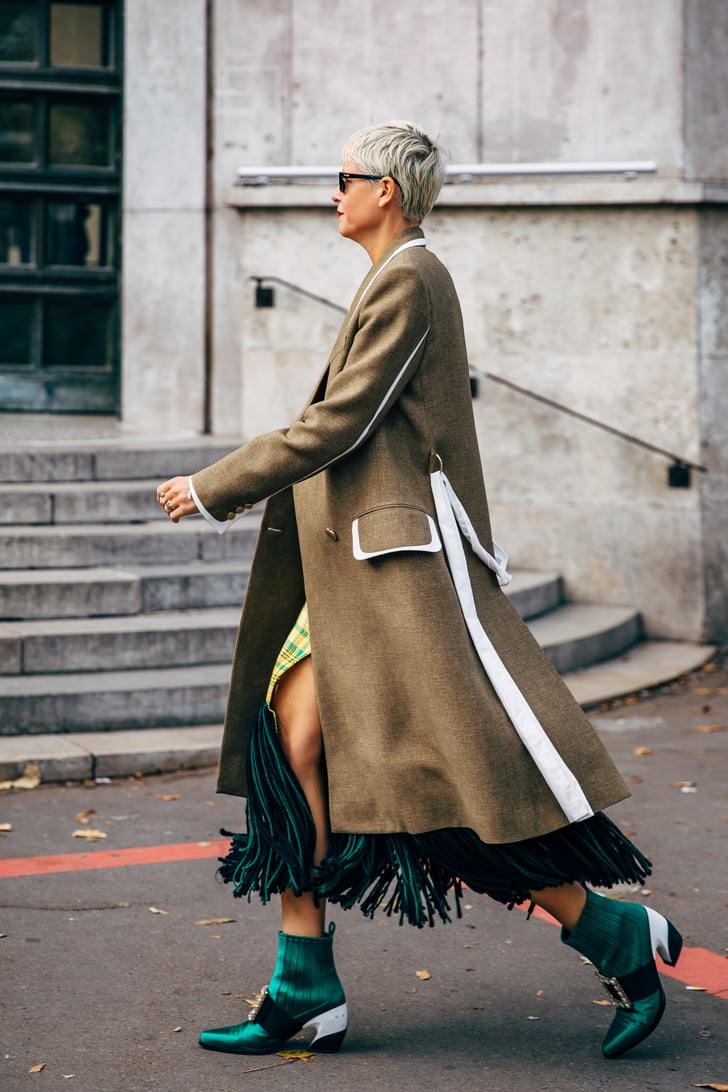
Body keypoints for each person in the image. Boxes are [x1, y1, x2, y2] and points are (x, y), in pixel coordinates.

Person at [157, 121, 682, 1061]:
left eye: (345, 178)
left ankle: (614, 934)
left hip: (394, 581)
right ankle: (302, 985)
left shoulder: (412, 278)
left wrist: (214, 485)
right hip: (355, 579)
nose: (334, 192)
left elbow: (342, 421)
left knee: (441, 793)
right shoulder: (390, 276)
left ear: (386, 190)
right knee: (295, 745)